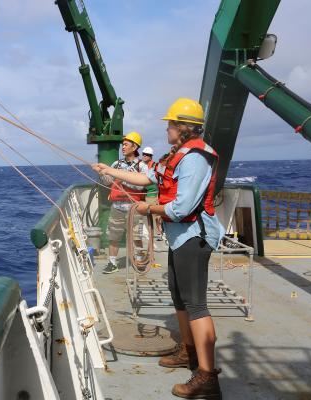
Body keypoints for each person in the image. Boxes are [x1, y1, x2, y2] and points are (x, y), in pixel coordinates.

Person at [92, 98, 225, 399]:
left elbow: (182, 207)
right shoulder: (175, 155)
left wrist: (147, 208)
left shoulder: (194, 159)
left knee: (196, 305)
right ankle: (189, 354)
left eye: (170, 124)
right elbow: (146, 176)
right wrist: (111, 172)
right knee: (179, 298)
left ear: (182, 127)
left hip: (193, 237)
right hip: (180, 238)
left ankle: (207, 378)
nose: (166, 128)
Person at [100, 131, 148, 274]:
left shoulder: (142, 166)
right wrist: (104, 174)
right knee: (113, 236)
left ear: (134, 147)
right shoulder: (116, 164)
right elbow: (108, 183)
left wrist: (123, 178)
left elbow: (141, 185)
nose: (123, 147)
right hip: (117, 207)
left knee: (136, 236)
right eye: (123, 144)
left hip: (135, 207)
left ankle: (139, 260)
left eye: (126, 144)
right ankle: (112, 263)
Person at [141, 147, 163, 238]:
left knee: (156, 214)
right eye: (143, 154)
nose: (144, 156)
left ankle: (159, 232)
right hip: (145, 194)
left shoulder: (155, 166)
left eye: (147, 155)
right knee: (149, 215)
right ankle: (155, 232)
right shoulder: (141, 166)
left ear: (151, 156)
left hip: (153, 194)